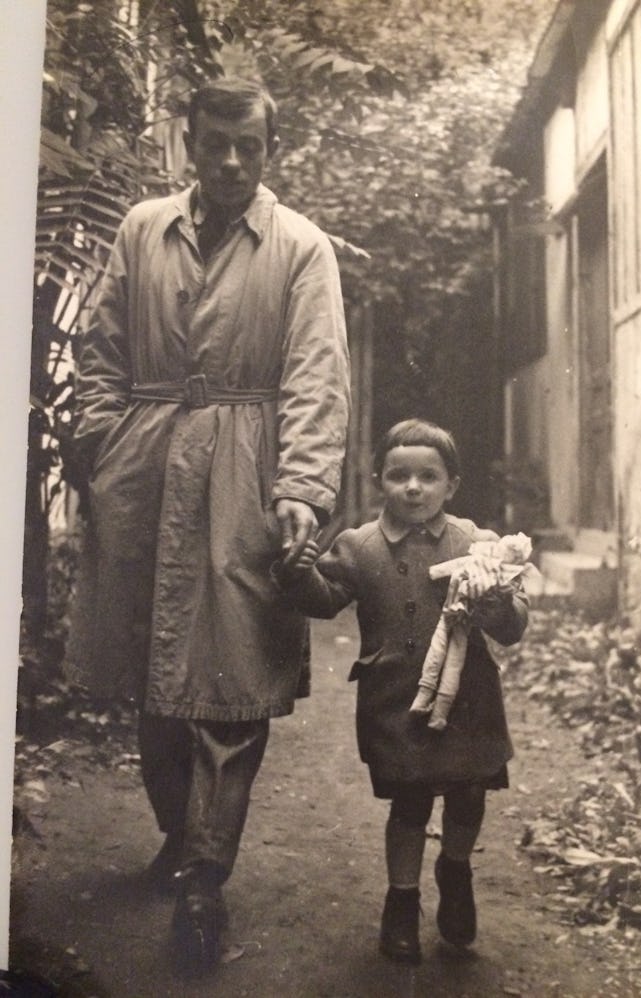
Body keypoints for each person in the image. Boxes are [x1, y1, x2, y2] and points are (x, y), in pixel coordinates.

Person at [66, 76, 350, 973]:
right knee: (155, 675)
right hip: (145, 466)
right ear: (186, 139)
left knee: (230, 681)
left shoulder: (300, 248)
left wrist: (300, 484)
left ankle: (203, 878)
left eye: (249, 146)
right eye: (214, 143)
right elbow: (102, 346)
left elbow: (317, 374)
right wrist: (102, 436)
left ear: (272, 149)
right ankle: (178, 832)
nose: (230, 161)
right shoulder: (143, 229)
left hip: (247, 472)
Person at [275, 419, 528, 964]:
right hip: (395, 702)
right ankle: (402, 900)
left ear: (451, 485)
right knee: (409, 805)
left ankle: (455, 872)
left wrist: (496, 604)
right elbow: (324, 599)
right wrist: (297, 575)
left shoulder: (475, 542)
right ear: (377, 481)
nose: (413, 487)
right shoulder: (359, 546)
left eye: (428, 477)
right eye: (399, 475)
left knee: (469, 795)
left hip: (470, 703)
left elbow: (513, 624)